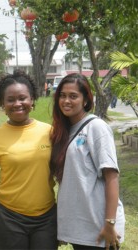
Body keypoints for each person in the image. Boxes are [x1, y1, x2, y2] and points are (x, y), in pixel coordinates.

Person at [0, 69, 57, 249]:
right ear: (2, 103)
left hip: (46, 218)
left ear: (32, 100)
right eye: (10, 99)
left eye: (22, 98)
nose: (17, 104)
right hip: (8, 217)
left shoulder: (50, 132)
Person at [50, 73, 125, 250]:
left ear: (85, 100)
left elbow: (111, 177)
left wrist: (109, 224)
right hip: (80, 227)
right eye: (62, 95)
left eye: (73, 96)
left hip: (100, 227)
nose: (66, 101)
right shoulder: (63, 131)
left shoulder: (96, 127)